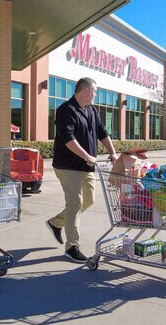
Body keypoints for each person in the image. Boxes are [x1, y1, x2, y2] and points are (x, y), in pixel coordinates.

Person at [45, 77, 117, 262]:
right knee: (75, 203)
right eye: (95, 91)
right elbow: (68, 139)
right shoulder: (65, 110)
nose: (96, 95)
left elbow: (102, 133)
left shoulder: (92, 110)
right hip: (67, 165)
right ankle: (72, 247)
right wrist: (87, 156)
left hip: (87, 166)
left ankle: (56, 223)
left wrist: (113, 152)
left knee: (89, 200)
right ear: (86, 91)